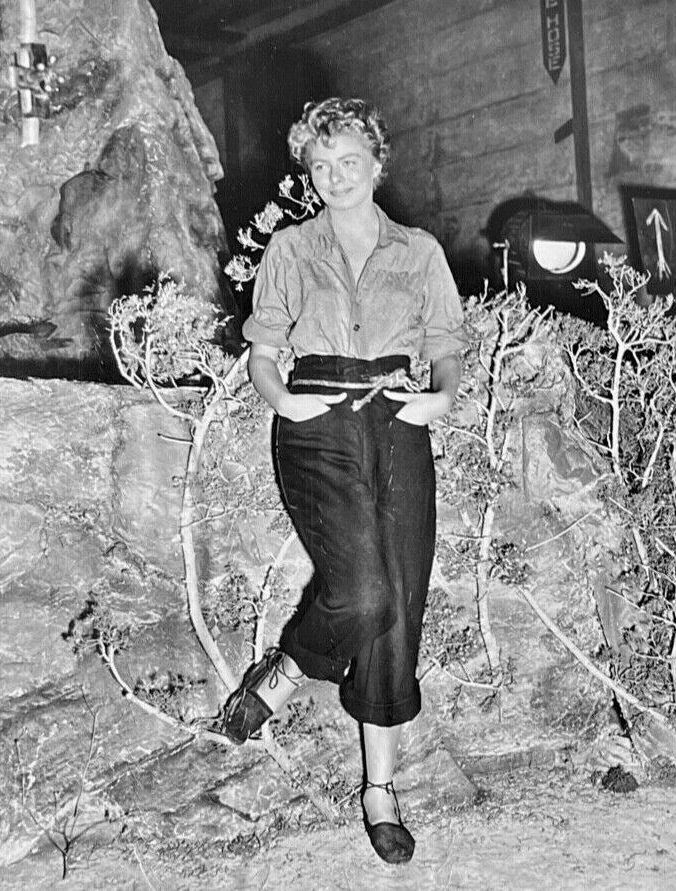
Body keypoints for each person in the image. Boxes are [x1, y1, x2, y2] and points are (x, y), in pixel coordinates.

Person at [222, 97, 465, 864]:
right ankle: (288, 669)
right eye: (321, 165)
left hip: (399, 420)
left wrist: (441, 397)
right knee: (363, 591)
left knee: (400, 604)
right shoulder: (292, 248)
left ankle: (380, 790)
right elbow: (264, 351)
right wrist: (285, 399)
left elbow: (446, 344)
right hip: (318, 422)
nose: (336, 176)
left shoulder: (418, 251)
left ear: (377, 163)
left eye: (349, 161)